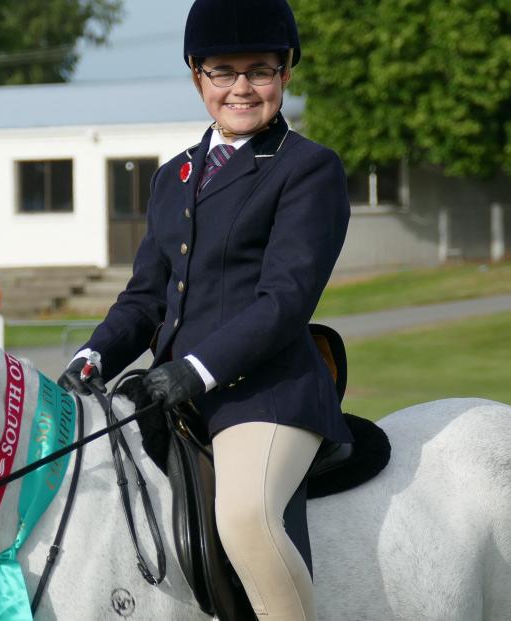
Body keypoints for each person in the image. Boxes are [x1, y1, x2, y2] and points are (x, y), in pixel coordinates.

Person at [58, 0, 351, 617]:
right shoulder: (175, 175)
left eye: (260, 71)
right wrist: (94, 355)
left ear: (286, 74)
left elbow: (286, 300)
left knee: (247, 519)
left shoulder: (308, 169)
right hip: (171, 393)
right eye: (224, 71)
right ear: (198, 77)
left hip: (264, 393)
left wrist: (197, 368)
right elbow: (146, 295)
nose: (242, 88)